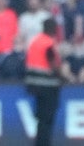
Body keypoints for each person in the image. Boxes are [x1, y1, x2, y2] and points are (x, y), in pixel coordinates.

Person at [24, 17, 67, 146]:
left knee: (41, 119)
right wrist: (61, 76)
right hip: (48, 85)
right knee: (47, 120)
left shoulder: (35, 41)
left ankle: (39, 142)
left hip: (34, 84)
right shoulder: (48, 42)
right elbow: (52, 62)